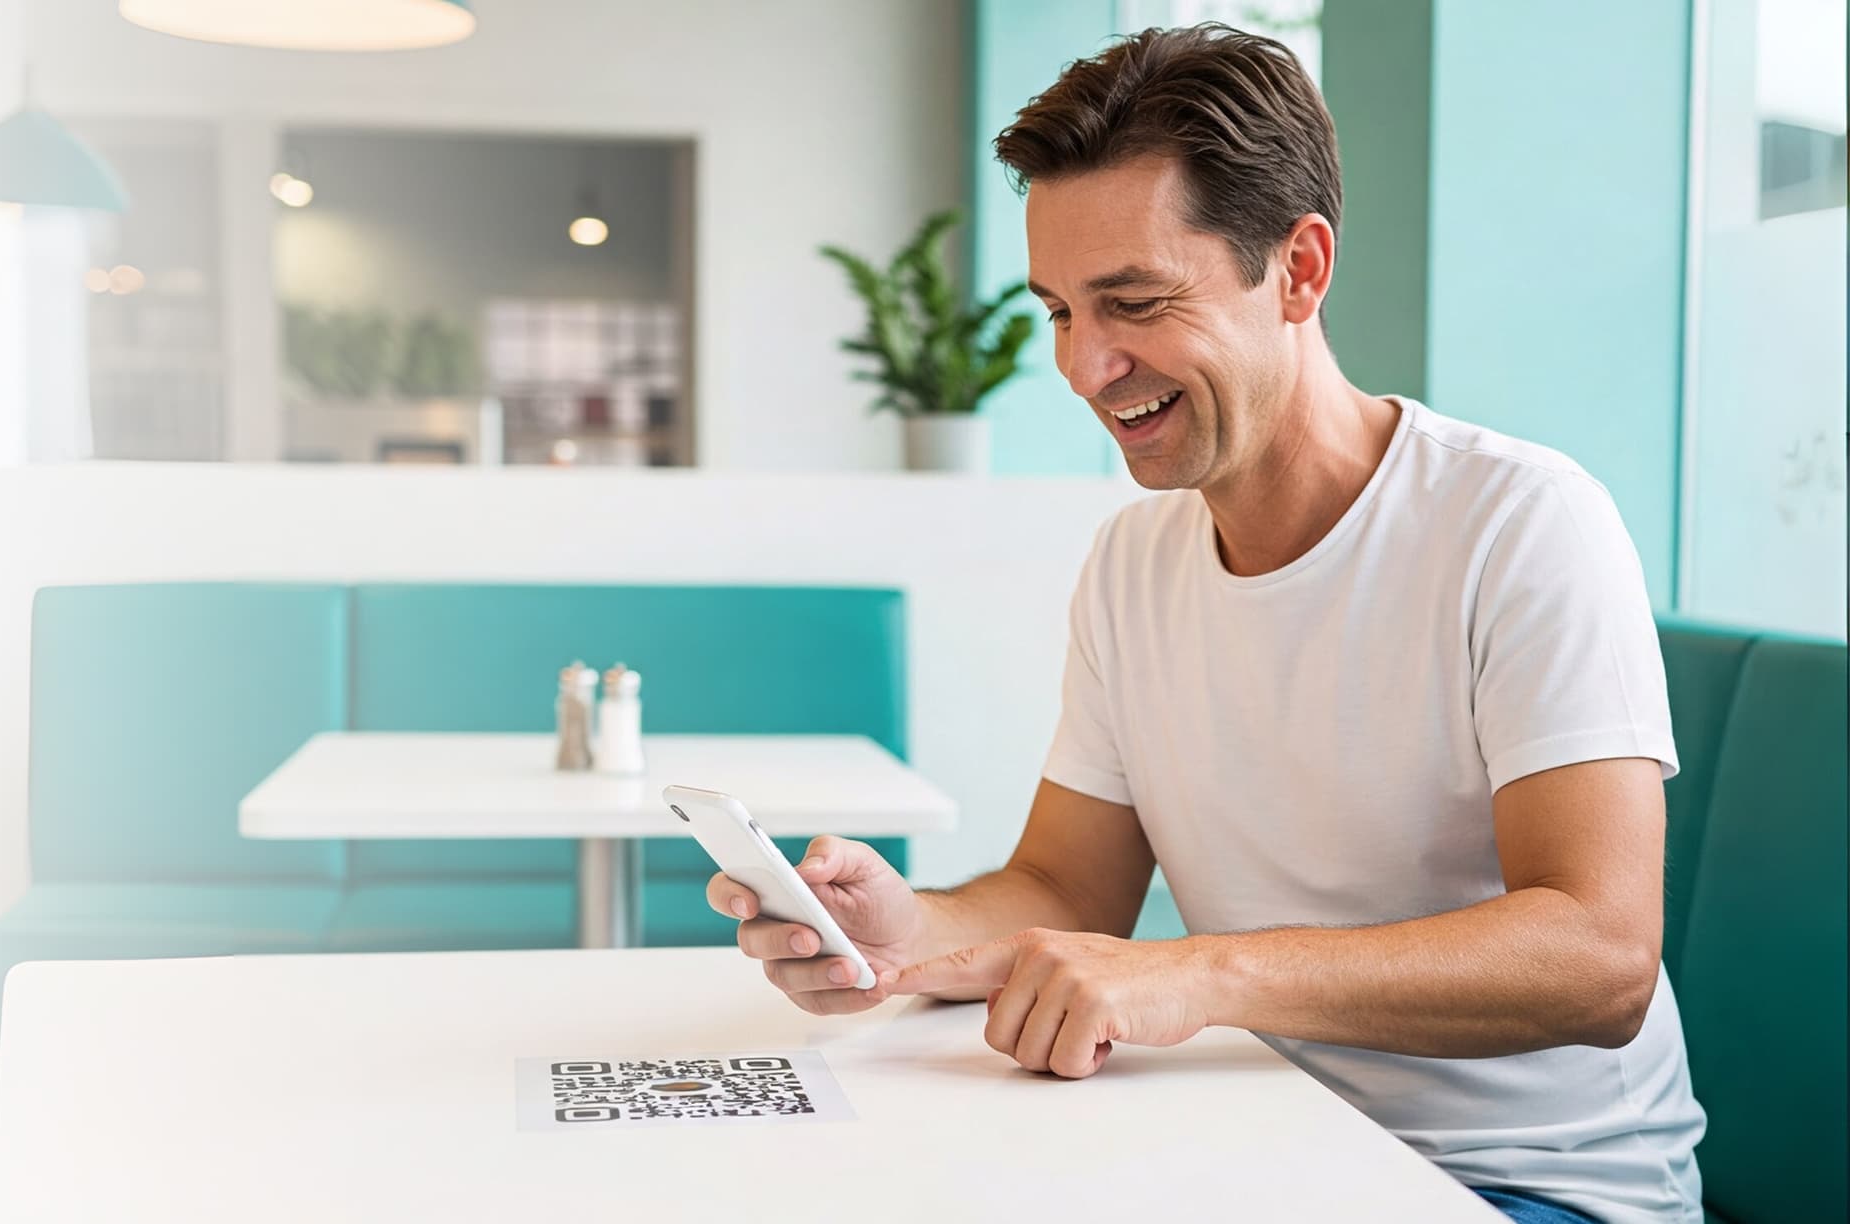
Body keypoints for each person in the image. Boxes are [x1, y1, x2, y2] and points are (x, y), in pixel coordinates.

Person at [708, 24, 1702, 1224]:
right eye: (1060, 312)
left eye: (1133, 303)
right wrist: (900, 933)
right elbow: (1064, 888)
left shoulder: (1520, 523)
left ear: (1299, 271)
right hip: (1259, 1147)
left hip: (1522, 1187)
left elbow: (1600, 958)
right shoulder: (1133, 564)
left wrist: (1200, 973)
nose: (1085, 367)